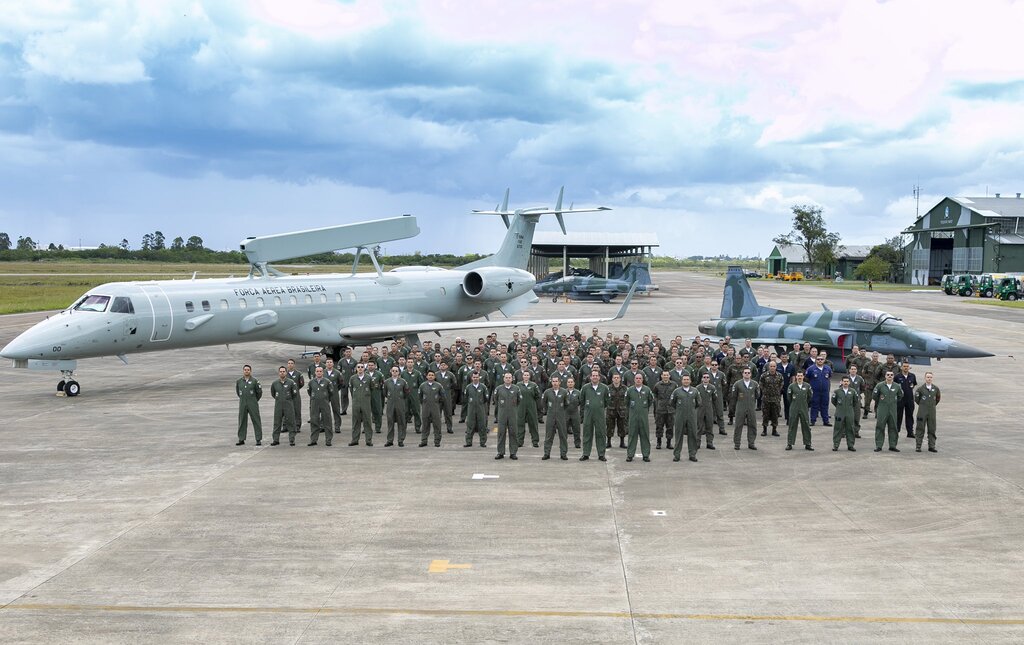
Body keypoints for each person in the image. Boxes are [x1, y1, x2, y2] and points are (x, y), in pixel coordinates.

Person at [580, 370, 610, 461]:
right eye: (593, 375)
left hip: (600, 414)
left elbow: (607, 401)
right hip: (588, 414)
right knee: (587, 434)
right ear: (590, 377)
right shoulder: (585, 388)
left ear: (599, 377)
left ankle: (601, 454)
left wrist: (599, 407)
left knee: (601, 433)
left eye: (596, 375)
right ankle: (585, 453)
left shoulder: (604, 388)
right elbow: (582, 400)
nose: (595, 377)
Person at [670, 374, 700, 462]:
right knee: (678, 435)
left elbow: (699, 402)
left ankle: (692, 454)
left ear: (690, 381)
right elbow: (672, 402)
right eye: (684, 379)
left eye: (687, 379)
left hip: (691, 416)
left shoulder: (695, 391)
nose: (686, 381)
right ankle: (677, 455)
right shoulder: (677, 391)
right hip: (680, 416)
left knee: (693, 435)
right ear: (681, 381)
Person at [625, 374, 655, 462]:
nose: (638, 380)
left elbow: (650, 401)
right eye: (637, 378)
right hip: (633, 416)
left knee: (645, 435)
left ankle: (646, 455)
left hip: (643, 417)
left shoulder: (647, 390)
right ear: (634, 380)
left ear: (642, 380)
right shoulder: (630, 390)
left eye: (640, 378)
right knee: (632, 435)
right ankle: (630, 455)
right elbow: (626, 402)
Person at [872, 370, 903, 452]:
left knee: (893, 427)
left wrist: (893, 402)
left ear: (893, 376)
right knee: (880, 426)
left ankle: (892, 445)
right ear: (885, 376)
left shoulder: (897, 386)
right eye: (888, 375)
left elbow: (900, 396)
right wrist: (882, 402)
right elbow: (875, 396)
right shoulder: (880, 385)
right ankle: (879, 445)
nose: (889, 376)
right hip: (882, 409)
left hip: (893, 409)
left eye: (891, 375)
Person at [493, 373, 521, 460]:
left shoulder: (516, 389)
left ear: (512, 379)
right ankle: (500, 452)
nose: (508, 379)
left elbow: (519, 401)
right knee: (501, 433)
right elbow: (495, 399)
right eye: (506, 378)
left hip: (512, 414)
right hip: (502, 415)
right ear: (503, 379)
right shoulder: (498, 389)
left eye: (509, 378)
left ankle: (513, 453)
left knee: (513, 433)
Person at [541, 375, 569, 460]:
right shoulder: (547, 392)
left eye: (556, 381)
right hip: (550, 416)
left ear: (559, 382)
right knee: (549, 436)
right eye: (553, 381)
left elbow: (566, 404)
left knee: (563, 435)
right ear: (551, 382)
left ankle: (563, 454)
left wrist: (561, 411)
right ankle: (546, 453)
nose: (555, 383)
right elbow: (544, 403)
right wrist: (549, 411)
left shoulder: (564, 392)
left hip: (561, 416)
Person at [732, 367, 760, 450]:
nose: (747, 374)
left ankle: (751, 443)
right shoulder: (737, 384)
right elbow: (734, 396)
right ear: (742, 374)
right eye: (745, 373)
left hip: (751, 407)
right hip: (740, 407)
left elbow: (757, 395)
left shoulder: (755, 384)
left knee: (752, 425)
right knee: (738, 425)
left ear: (751, 374)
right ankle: (737, 444)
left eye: (748, 373)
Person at [235, 364, 263, 446]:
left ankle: (258, 439)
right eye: (245, 370)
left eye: (248, 370)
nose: (246, 371)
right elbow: (238, 392)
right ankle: (241, 438)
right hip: (243, 403)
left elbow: (259, 392)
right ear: (243, 371)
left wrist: (254, 400)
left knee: (256, 420)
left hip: (252, 403)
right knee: (242, 420)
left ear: (250, 371)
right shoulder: (239, 381)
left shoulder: (255, 381)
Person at [306, 366, 334, 446]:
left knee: (327, 421)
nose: (319, 373)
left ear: (323, 372)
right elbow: (309, 392)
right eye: (317, 371)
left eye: (320, 371)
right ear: (315, 372)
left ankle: (328, 440)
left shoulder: (327, 382)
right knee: (314, 421)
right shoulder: (311, 382)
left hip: (324, 403)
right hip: (314, 404)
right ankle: (313, 440)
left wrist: (325, 399)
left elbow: (331, 392)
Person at [418, 370, 447, 447]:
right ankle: (424, 441)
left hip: (435, 408)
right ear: (426, 376)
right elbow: (420, 397)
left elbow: (443, 397)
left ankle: (437, 441)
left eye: (432, 375)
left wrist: (437, 402)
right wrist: (424, 403)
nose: (430, 376)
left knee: (437, 425)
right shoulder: (422, 386)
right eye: (429, 375)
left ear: (434, 376)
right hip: (425, 408)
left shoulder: (438, 386)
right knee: (425, 425)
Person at [913, 372, 941, 452]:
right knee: (920, 428)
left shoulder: (936, 389)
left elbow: (938, 399)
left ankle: (931, 446)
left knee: (932, 429)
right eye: (928, 377)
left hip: (932, 411)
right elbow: (917, 400)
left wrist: (932, 405)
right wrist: (923, 405)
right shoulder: (920, 389)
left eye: (930, 377)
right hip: (922, 411)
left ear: (932, 378)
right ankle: (918, 446)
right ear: (925, 378)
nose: (929, 379)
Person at [270, 366, 298, 446]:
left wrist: (287, 399)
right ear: (279, 373)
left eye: (283, 371)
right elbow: (273, 393)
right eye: (280, 371)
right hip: (278, 405)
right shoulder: (275, 383)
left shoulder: (291, 382)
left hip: (288, 405)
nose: (282, 373)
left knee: (291, 422)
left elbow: (294, 394)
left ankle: (292, 440)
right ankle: (276, 440)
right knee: (277, 422)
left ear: (286, 372)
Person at [348, 363, 374, 446]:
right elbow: (351, 390)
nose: (360, 368)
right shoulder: (353, 378)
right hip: (356, 403)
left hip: (366, 403)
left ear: (364, 368)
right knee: (355, 422)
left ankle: (368, 440)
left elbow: (372, 389)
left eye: (362, 367)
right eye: (358, 367)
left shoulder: (369, 378)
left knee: (367, 422)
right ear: (356, 368)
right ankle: (355, 440)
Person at [786, 371, 813, 451]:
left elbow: (809, 397)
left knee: (806, 426)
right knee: (792, 425)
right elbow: (789, 398)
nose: (800, 377)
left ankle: (808, 444)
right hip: (794, 408)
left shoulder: (807, 386)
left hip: (804, 407)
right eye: (798, 376)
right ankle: (789, 443)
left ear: (803, 377)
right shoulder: (791, 386)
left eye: (801, 376)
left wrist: (804, 403)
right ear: (796, 377)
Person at [383, 366, 410, 447]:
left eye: (396, 371)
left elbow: (406, 392)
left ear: (399, 372)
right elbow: (385, 392)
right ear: (391, 371)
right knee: (390, 422)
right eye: (393, 371)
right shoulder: (387, 382)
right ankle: (390, 440)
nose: (394, 372)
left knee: (401, 422)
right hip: (390, 404)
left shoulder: (403, 382)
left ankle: (400, 440)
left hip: (400, 404)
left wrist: (400, 398)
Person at [462, 371, 490, 448]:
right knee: (470, 425)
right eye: (474, 377)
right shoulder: (468, 387)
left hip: (481, 408)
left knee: (482, 426)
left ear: (479, 378)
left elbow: (486, 398)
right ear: (472, 378)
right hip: (471, 409)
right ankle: (468, 442)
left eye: (477, 377)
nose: (475, 379)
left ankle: (482, 442)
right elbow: (466, 397)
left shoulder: (483, 387)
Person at [830, 376, 858, 451]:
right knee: (838, 429)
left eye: (847, 381)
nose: (845, 383)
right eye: (844, 381)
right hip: (840, 412)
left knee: (850, 428)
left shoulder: (853, 391)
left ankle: (850, 445)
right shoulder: (837, 391)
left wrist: (849, 407)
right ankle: (836, 445)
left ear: (849, 382)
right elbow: (833, 401)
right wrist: (839, 407)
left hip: (849, 412)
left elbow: (855, 401)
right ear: (841, 382)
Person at [516, 371, 542, 448]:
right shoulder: (518, 385)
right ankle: (519, 441)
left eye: (527, 375)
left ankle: (535, 441)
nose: (526, 376)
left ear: (529, 376)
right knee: (520, 424)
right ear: (522, 376)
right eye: (525, 375)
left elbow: (537, 395)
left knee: (533, 424)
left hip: (531, 407)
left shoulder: (533, 385)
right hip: (521, 407)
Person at [805, 354, 832, 426]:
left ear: (824, 360)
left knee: (825, 405)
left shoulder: (828, 369)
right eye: (818, 359)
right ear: (816, 360)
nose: (820, 361)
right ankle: (812, 420)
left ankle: (826, 421)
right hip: (815, 391)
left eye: (821, 359)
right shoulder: (811, 369)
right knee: (814, 405)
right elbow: (807, 378)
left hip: (825, 391)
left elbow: (829, 377)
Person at [652, 370, 676, 450]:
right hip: (660, 409)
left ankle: (669, 443)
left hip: (670, 409)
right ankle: (659, 442)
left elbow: (676, 395)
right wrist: (657, 403)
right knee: (659, 426)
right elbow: (654, 395)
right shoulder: (658, 385)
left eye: (667, 375)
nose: (665, 376)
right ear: (661, 376)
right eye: (664, 375)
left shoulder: (674, 385)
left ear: (669, 376)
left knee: (670, 426)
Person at [759, 360, 784, 437]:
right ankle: (764, 430)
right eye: (771, 366)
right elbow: (761, 384)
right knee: (765, 415)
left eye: (774, 366)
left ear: (776, 367)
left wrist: (776, 392)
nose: (772, 368)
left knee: (775, 415)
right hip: (766, 398)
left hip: (776, 398)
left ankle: (774, 430)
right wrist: (765, 391)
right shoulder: (764, 375)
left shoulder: (779, 376)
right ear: (768, 367)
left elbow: (781, 385)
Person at [894, 363, 918, 439]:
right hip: (900, 399)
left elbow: (913, 384)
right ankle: (896, 431)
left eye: (907, 366)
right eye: (904, 366)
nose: (906, 368)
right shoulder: (897, 376)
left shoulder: (912, 376)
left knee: (910, 415)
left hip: (909, 399)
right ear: (901, 367)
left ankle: (910, 432)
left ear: (909, 368)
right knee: (898, 415)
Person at [696, 372, 719, 449]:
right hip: (700, 409)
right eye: (704, 377)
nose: (705, 379)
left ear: (709, 379)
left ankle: (709, 442)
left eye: (707, 377)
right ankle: (697, 442)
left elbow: (715, 398)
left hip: (709, 408)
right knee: (699, 427)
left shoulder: (712, 388)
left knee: (709, 426)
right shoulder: (698, 388)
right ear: (702, 378)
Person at [606, 373, 628, 448]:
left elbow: (627, 398)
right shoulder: (608, 388)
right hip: (611, 410)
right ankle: (608, 442)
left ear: (620, 379)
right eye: (614, 377)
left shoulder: (625, 388)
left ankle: (622, 442)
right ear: (612, 379)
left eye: (617, 377)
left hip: (621, 410)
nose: (616, 379)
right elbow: (605, 398)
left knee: (622, 426)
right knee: (609, 427)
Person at [323, 358, 344, 434]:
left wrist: (335, 390)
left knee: (336, 410)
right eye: (327, 362)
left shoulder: (337, 373)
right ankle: (323, 426)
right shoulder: (322, 372)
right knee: (324, 410)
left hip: (334, 394)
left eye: (330, 362)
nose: (329, 363)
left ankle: (337, 426)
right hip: (325, 394)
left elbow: (341, 383)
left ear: (332, 364)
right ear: (325, 364)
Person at [285, 359, 305, 430]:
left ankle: (297, 425)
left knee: (297, 410)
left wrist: (295, 389)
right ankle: (285, 426)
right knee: (286, 410)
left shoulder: (298, 374)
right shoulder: (285, 374)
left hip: (296, 395)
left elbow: (301, 384)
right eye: (289, 363)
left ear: (294, 365)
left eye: (292, 363)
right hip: (286, 395)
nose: (290, 365)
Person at [565, 377, 583, 449]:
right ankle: (563, 443)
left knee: (576, 429)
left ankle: (577, 443)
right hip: (565, 413)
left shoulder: (578, 392)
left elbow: (581, 403)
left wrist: (581, 415)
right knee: (564, 430)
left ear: (574, 383)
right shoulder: (563, 392)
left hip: (575, 413)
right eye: (569, 382)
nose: (570, 383)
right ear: (567, 383)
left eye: (571, 382)